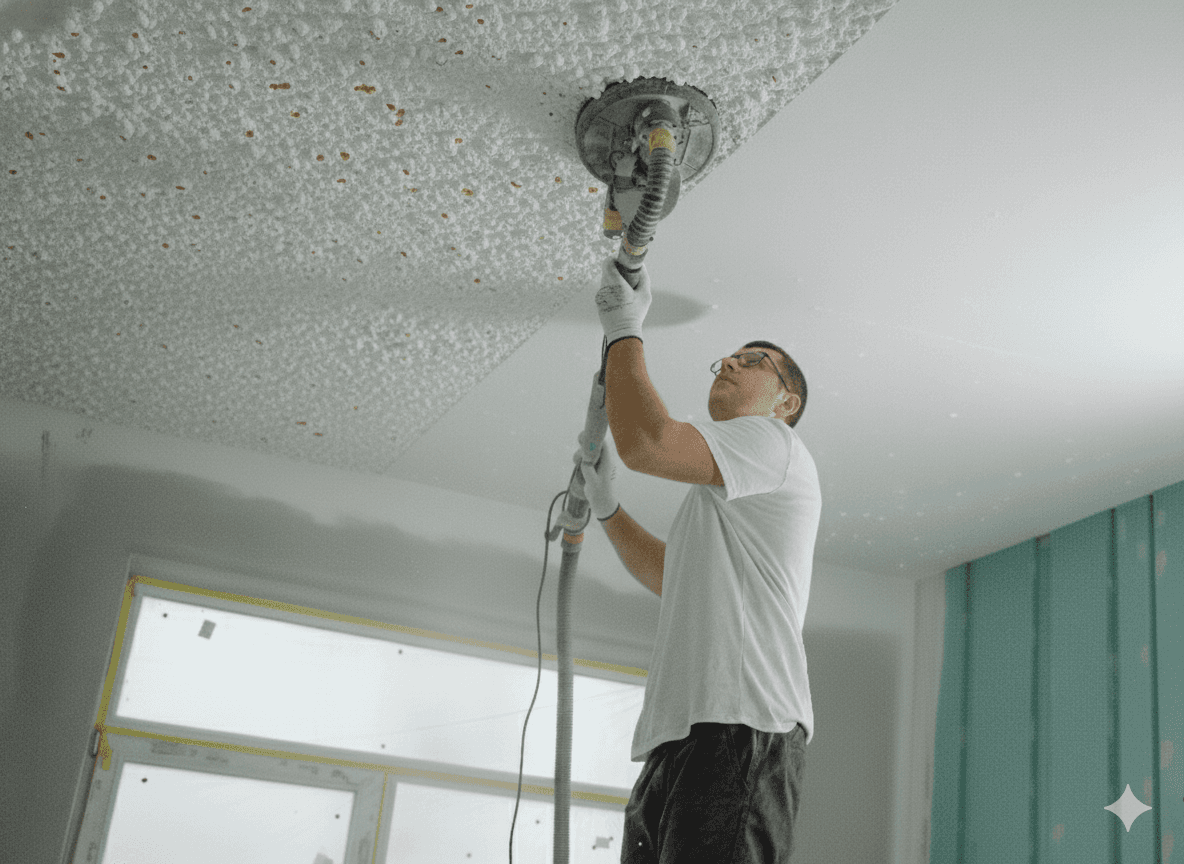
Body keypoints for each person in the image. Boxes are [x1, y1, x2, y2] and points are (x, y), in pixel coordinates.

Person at [574, 257, 821, 863]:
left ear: (785, 403)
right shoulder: (720, 504)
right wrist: (608, 508)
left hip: (741, 726)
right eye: (727, 358)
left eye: (754, 360)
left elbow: (649, 442)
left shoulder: (775, 444)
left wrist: (624, 330)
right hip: (680, 740)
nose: (731, 361)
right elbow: (667, 573)